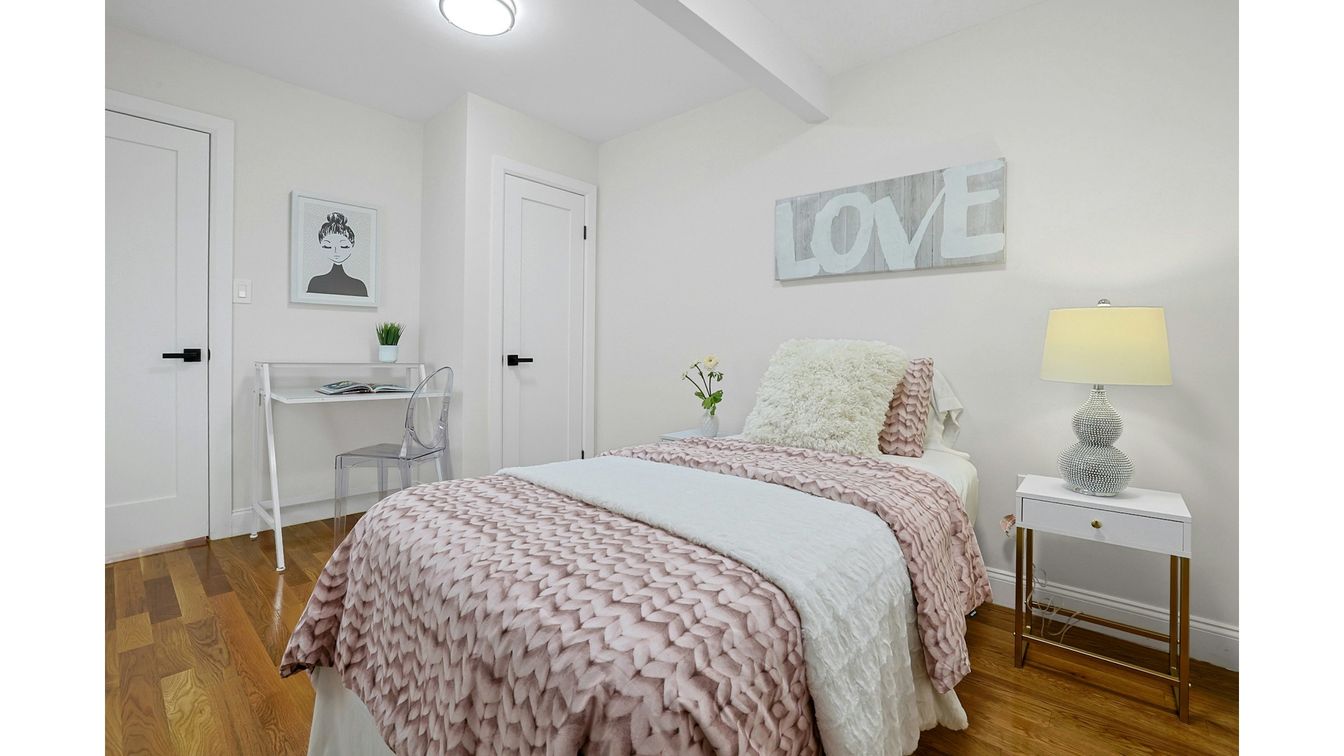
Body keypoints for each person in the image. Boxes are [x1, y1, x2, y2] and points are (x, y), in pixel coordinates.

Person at [306, 212, 368, 297]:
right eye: (327, 246)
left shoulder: (359, 285)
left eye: (344, 246)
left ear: (352, 246)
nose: (336, 252)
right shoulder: (316, 282)